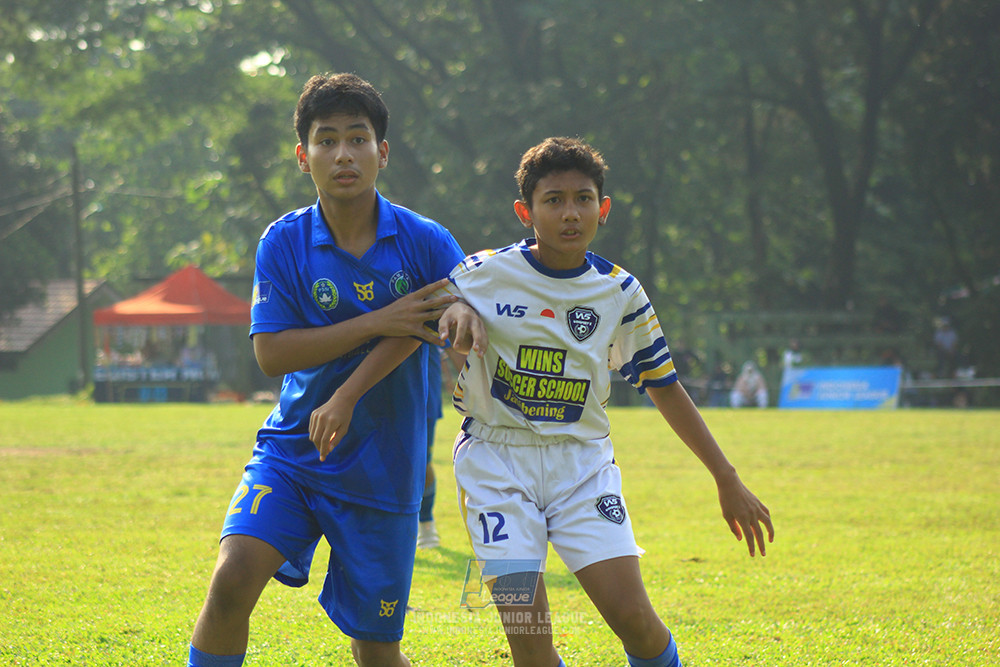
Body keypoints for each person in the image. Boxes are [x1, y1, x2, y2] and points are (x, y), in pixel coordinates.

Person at [435, 137, 774, 667]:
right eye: (553, 200)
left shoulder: (621, 293)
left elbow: (663, 384)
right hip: (494, 462)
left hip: (581, 465)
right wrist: (455, 309)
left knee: (635, 621)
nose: (570, 213)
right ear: (526, 211)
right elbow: (431, 302)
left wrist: (725, 477)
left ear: (603, 208)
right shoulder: (481, 274)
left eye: (583, 198)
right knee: (529, 637)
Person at [187, 73, 471, 667]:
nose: (343, 154)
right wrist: (378, 320)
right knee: (232, 579)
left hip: (385, 470)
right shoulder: (283, 242)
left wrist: (349, 388)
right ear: (303, 156)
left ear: (382, 152)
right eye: (326, 140)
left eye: (358, 139)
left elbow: (440, 316)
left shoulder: (425, 240)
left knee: (375, 646)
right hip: (295, 451)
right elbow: (272, 354)